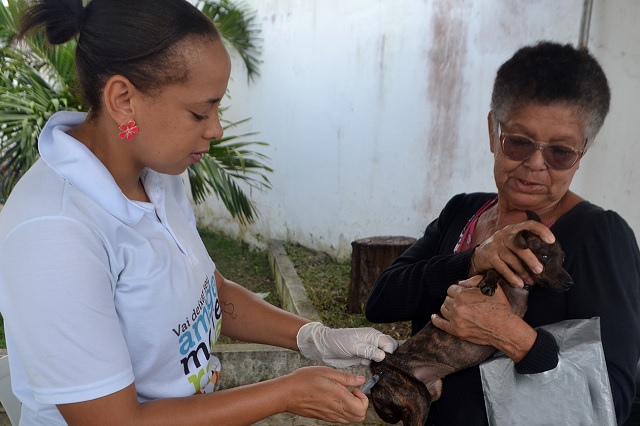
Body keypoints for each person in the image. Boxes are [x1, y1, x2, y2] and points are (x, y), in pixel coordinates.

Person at [0, 1, 399, 425]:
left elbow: (208, 293)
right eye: (199, 111)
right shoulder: (55, 233)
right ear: (122, 100)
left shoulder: (160, 172)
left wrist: (312, 337)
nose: (216, 129)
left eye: (217, 108)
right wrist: (285, 393)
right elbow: (116, 421)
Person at [366, 41, 640, 425]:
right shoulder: (463, 211)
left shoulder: (598, 236)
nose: (534, 165)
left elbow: (612, 399)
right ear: (494, 131)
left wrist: (510, 334)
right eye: (519, 143)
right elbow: (380, 301)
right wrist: (474, 258)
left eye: (560, 152)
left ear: (583, 152)